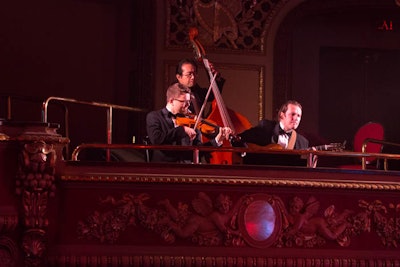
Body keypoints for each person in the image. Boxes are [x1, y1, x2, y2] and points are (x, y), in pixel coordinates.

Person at [146, 83, 232, 163]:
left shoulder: (190, 121)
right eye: (184, 102)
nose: (188, 105)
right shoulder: (154, 117)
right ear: (171, 101)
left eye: (189, 102)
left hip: (187, 170)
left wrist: (217, 140)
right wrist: (182, 130)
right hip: (163, 170)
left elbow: (197, 150)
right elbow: (156, 139)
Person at [238, 100, 313, 166]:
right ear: (282, 115)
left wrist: (311, 162)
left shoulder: (303, 142)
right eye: (293, 114)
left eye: (299, 116)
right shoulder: (265, 128)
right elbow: (240, 139)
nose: (296, 118)